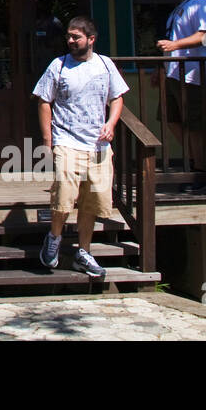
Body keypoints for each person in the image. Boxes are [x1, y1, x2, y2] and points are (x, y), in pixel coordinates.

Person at [34, 16, 128, 280]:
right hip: (67, 140)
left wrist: (111, 123)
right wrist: (47, 138)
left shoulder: (105, 65)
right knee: (64, 194)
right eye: (69, 36)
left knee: (92, 199)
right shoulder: (59, 66)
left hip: (97, 144)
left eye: (76, 37)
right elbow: (43, 100)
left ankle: (83, 252)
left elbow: (117, 97)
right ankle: (54, 237)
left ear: (91, 39)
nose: (71, 41)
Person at [154, 0, 206, 191]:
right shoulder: (181, 8)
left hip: (195, 75)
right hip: (175, 73)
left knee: (194, 124)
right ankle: (198, 160)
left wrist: (175, 45)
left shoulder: (203, 5)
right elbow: (174, 38)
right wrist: (161, 68)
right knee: (170, 117)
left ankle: (200, 174)